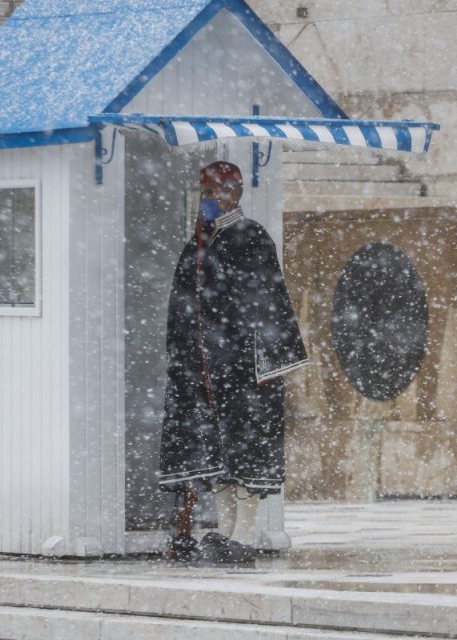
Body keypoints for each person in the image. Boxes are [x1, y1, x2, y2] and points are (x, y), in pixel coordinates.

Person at [159, 161, 308, 563]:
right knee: (218, 453)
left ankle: (243, 533)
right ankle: (225, 532)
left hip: (243, 369)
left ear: (235, 192)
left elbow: (262, 304)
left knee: (246, 450)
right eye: (205, 193)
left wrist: (242, 354)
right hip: (205, 367)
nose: (210, 200)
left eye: (217, 192)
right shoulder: (199, 242)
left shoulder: (249, 236)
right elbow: (186, 306)